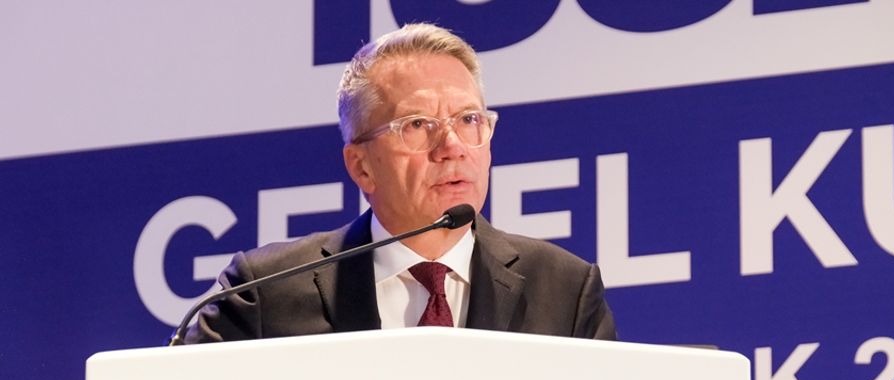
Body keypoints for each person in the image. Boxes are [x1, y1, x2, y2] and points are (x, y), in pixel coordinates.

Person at [182, 23, 616, 344]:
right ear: (361, 166)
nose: (452, 147)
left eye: (469, 120)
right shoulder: (264, 294)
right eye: (418, 125)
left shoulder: (564, 292)